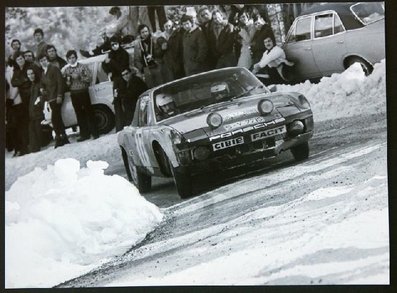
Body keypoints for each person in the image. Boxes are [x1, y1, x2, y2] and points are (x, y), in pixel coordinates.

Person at [62, 50, 99, 141]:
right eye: (70, 58)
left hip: (83, 92)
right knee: (79, 114)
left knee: (89, 112)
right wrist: (67, 82)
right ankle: (84, 134)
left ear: (76, 58)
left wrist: (79, 77)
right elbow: (66, 84)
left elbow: (89, 78)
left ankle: (95, 132)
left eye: (73, 57)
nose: (72, 60)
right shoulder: (67, 70)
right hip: (74, 94)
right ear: (67, 60)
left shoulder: (83, 67)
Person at [38, 53, 69, 148]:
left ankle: (58, 138)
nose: (43, 62)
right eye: (41, 61)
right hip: (50, 98)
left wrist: (60, 95)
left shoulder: (54, 68)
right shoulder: (43, 72)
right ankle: (63, 137)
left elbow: (60, 82)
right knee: (57, 117)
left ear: (47, 60)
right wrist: (42, 89)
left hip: (57, 96)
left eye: (44, 60)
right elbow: (42, 83)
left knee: (54, 118)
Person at [11, 52, 32, 155]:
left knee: (34, 118)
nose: (20, 60)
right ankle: (28, 144)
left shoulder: (29, 66)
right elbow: (13, 82)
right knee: (26, 120)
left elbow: (31, 79)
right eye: (18, 59)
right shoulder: (17, 70)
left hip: (31, 95)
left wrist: (22, 81)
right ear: (16, 61)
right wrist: (23, 81)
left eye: (21, 58)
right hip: (24, 98)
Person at [26, 66, 44, 153]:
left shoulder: (39, 83)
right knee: (31, 128)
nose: (30, 76)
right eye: (28, 74)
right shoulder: (32, 84)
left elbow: (42, 95)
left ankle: (37, 145)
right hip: (33, 112)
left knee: (36, 128)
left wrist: (38, 103)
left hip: (39, 111)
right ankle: (33, 147)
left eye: (32, 73)